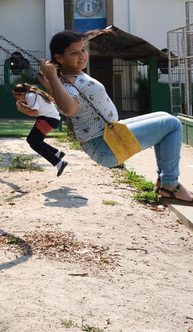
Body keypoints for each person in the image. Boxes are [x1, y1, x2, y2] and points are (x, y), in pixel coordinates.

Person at [39, 30, 192, 205]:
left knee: (163, 117)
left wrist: (51, 84)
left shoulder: (70, 78)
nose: (82, 56)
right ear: (59, 58)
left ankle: (164, 182)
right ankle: (170, 185)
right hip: (105, 145)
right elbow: (68, 108)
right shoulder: (69, 84)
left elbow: (65, 98)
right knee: (172, 124)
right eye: (74, 53)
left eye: (83, 50)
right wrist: (52, 78)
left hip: (108, 134)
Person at [12, 83, 68, 176]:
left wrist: (20, 110)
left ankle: (59, 162)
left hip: (47, 120)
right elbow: (37, 109)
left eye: (17, 96)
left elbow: (34, 113)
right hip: (50, 119)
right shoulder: (32, 94)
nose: (17, 98)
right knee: (30, 139)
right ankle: (57, 153)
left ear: (21, 93)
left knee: (35, 143)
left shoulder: (30, 96)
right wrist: (25, 107)